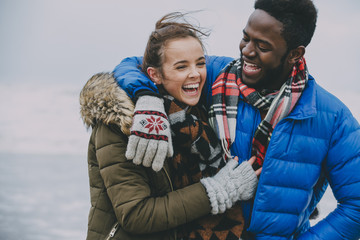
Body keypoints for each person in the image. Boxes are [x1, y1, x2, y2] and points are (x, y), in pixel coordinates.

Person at [112, 0, 360, 239]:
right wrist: (148, 99)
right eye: (245, 37)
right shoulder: (216, 76)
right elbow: (137, 65)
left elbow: (356, 206)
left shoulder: (333, 117)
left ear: (295, 53)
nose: (246, 51)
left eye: (262, 46)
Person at [80, 12, 259, 240]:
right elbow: (136, 215)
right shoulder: (121, 124)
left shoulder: (200, 112)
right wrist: (220, 189)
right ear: (155, 75)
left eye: (200, 63)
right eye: (181, 67)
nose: (195, 74)